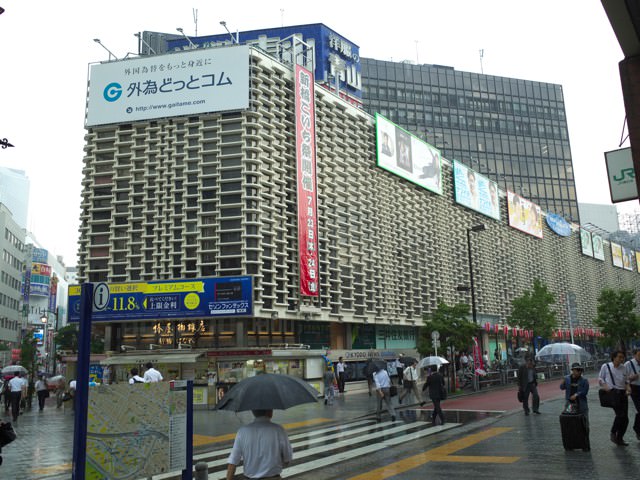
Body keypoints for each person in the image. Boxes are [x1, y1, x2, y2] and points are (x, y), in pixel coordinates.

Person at [226, 409, 293, 480]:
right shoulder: (279, 430)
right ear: (269, 411)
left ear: (253, 412)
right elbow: (287, 459)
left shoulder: (242, 432)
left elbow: (233, 462)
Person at [599, 350, 632, 446]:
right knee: (620, 415)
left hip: (623, 394)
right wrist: (605, 386)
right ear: (614, 357)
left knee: (625, 419)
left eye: (623, 357)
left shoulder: (624, 367)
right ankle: (613, 432)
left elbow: (626, 381)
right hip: (613, 393)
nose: (621, 359)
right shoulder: (606, 366)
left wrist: (628, 388)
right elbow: (601, 379)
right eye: (620, 357)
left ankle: (620, 438)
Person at [625, 348, 640, 440]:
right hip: (635, 389)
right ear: (634, 355)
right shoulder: (628, 364)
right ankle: (638, 430)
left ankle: (637, 428)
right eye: (639, 355)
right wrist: (631, 377)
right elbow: (624, 378)